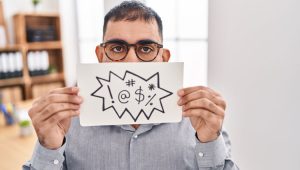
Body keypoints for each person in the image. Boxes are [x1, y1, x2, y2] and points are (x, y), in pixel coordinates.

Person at [23, 1, 239, 170]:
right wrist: (49, 147)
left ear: (163, 58)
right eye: (117, 48)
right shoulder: (67, 122)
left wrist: (209, 142)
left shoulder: (198, 120)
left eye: (146, 49)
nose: (131, 61)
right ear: (100, 56)